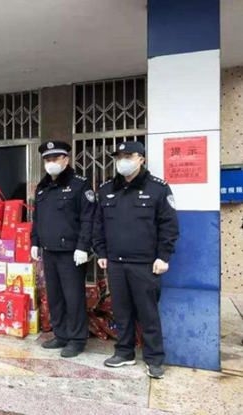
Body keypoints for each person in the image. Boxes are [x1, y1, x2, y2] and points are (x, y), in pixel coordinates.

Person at [93, 141, 179, 379]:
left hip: (145, 264)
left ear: (141, 159)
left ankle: (154, 359)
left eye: (128, 156)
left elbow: (169, 226)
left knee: (148, 313)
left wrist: (163, 256)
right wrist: (101, 252)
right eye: (119, 157)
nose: (122, 161)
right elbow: (98, 224)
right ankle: (124, 352)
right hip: (116, 263)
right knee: (121, 312)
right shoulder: (107, 189)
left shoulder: (158, 188)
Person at [31, 140, 96, 358]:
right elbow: (37, 218)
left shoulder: (79, 185)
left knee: (73, 297)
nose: (51, 163)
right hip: (49, 251)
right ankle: (60, 334)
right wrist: (34, 242)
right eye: (47, 159)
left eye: (55, 158)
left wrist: (83, 246)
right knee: (55, 296)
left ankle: (77, 340)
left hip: (71, 253)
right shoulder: (43, 187)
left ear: (66, 160)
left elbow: (88, 218)